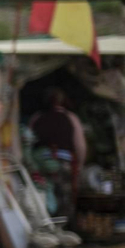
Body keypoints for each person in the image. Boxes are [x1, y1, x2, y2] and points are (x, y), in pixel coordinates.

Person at [28, 88, 86, 220]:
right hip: (63, 164)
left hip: (41, 164)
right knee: (64, 198)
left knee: (43, 196)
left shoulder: (36, 118)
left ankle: (48, 223)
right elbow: (80, 146)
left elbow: (29, 143)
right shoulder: (71, 118)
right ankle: (63, 227)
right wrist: (80, 164)